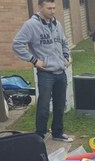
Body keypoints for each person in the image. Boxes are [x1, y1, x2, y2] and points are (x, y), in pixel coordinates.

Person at [12, 0, 73, 142]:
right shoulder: (31, 25)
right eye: (49, 8)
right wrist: (33, 60)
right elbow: (17, 44)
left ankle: (57, 132)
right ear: (40, 7)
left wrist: (66, 56)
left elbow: (64, 42)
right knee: (44, 105)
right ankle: (40, 134)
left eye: (54, 8)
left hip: (60, 72)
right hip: (46, 73)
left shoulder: (57, 24)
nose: (52, 11)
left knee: (60, 104)